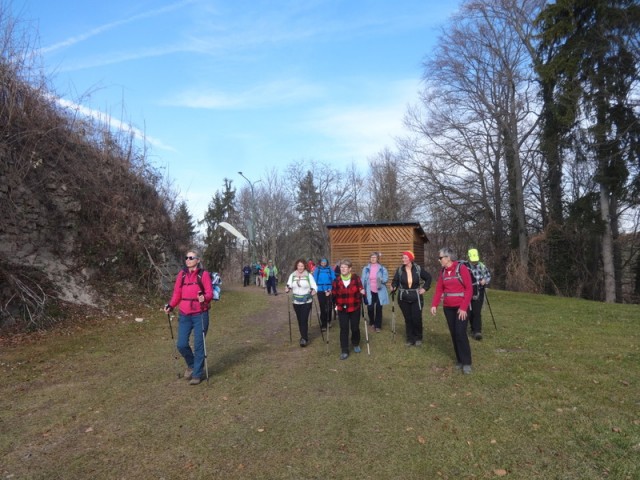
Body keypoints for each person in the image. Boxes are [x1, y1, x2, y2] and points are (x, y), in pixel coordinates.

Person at [163, 250, 213, 385]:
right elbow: (177, 293)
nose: (188, 260)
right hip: (184, 314)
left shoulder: (204, 274)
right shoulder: (182, 274)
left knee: (198, 344)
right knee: (181, 344)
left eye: (191, 257)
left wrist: (205, 297)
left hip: (200, 313)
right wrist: (171, 305)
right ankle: (192, 365)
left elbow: (210, 293)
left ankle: (197, 374)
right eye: (186, 257)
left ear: (198, 260)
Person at [430, 247, 474, 374]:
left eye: (440, 258)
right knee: (454, 333)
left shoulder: (461, 269)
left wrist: (463, 307)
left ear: (448, 258)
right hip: (448, 308)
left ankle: (466, 362)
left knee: (460, 332)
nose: (439, 260)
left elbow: (469, 289)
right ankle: (459, 360)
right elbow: (439, 289)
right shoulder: (443, 272)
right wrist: (434, 305)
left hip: (461, 308)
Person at [391, 251, 432, 346]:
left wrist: (425, 288)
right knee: (408, 319)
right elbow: (395, 281)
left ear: (410, 258)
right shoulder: (400, 270)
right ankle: (410, 339)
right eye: (402, 257)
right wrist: (393, 286)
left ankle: (418, 338)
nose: (403, 259)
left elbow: (428, 277)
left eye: (405, 257)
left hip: (416, 297)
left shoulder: (417, 269)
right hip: (403, 297)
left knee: (416, 318)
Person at [329, 259, 365, 360]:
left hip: (354, 307)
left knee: (355, 328)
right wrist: (330, 294)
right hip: (342, 308)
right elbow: (334, 294)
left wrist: (362, 291)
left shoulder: (356, 279)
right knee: (344, 329)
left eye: (345, 267)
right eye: (341, 267)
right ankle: (344, 350)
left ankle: (355, 343)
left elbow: (361, 289)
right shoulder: (336, 280)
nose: (343, 269)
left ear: (350, 269)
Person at [285, 259, 318, 347]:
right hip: (296, 301)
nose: (300, 267)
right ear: (296, 266)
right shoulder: (292, 275)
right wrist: (287, 289)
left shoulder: (308, 275)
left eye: (302, 266)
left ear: (305, 266)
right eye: (299, 266)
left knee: (304, 319)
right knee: (300, 320)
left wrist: (314, 291)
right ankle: (303, 335)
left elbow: (314, 286)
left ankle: (304, 338)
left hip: (307, 301)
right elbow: (289, 285)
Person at [466, 248, 491, 340]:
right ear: (468, 258)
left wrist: (485, 280)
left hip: (479, 291)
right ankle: (472, 327)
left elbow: (488, 276)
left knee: (476, 312)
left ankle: (477, 331)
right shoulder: (465, 267)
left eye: (475, 260)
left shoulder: (482, 266)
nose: (474, 262)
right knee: (469, 311)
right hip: (468, 292)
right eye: (473, 260)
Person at [361, 252, 389, 332]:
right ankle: (372, 322)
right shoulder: (366, 268)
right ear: (370, 259)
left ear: (377, 259)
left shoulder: (382, 268)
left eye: (374, 257)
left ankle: (378, 326)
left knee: (379, 308)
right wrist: (362, 288)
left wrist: (381, 279)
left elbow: (386, 279)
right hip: (369, 291)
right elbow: (363, 279)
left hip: (380, 291)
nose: (373, 259)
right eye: (371, 257)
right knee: (370, 308)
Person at [313, 258, 336, 331]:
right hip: (320, 289)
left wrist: (333, 286)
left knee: (329, 306)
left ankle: (328, 320)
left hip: (329, 289)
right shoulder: (317, 269)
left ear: (326, 263)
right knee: (322, 307)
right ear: (320, 263)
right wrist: (313, 288)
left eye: (324, 262)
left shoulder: (330, 269)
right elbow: (314, 279)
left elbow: (334, 278)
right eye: (322, 262)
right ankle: (323, 324)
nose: (323, 264)